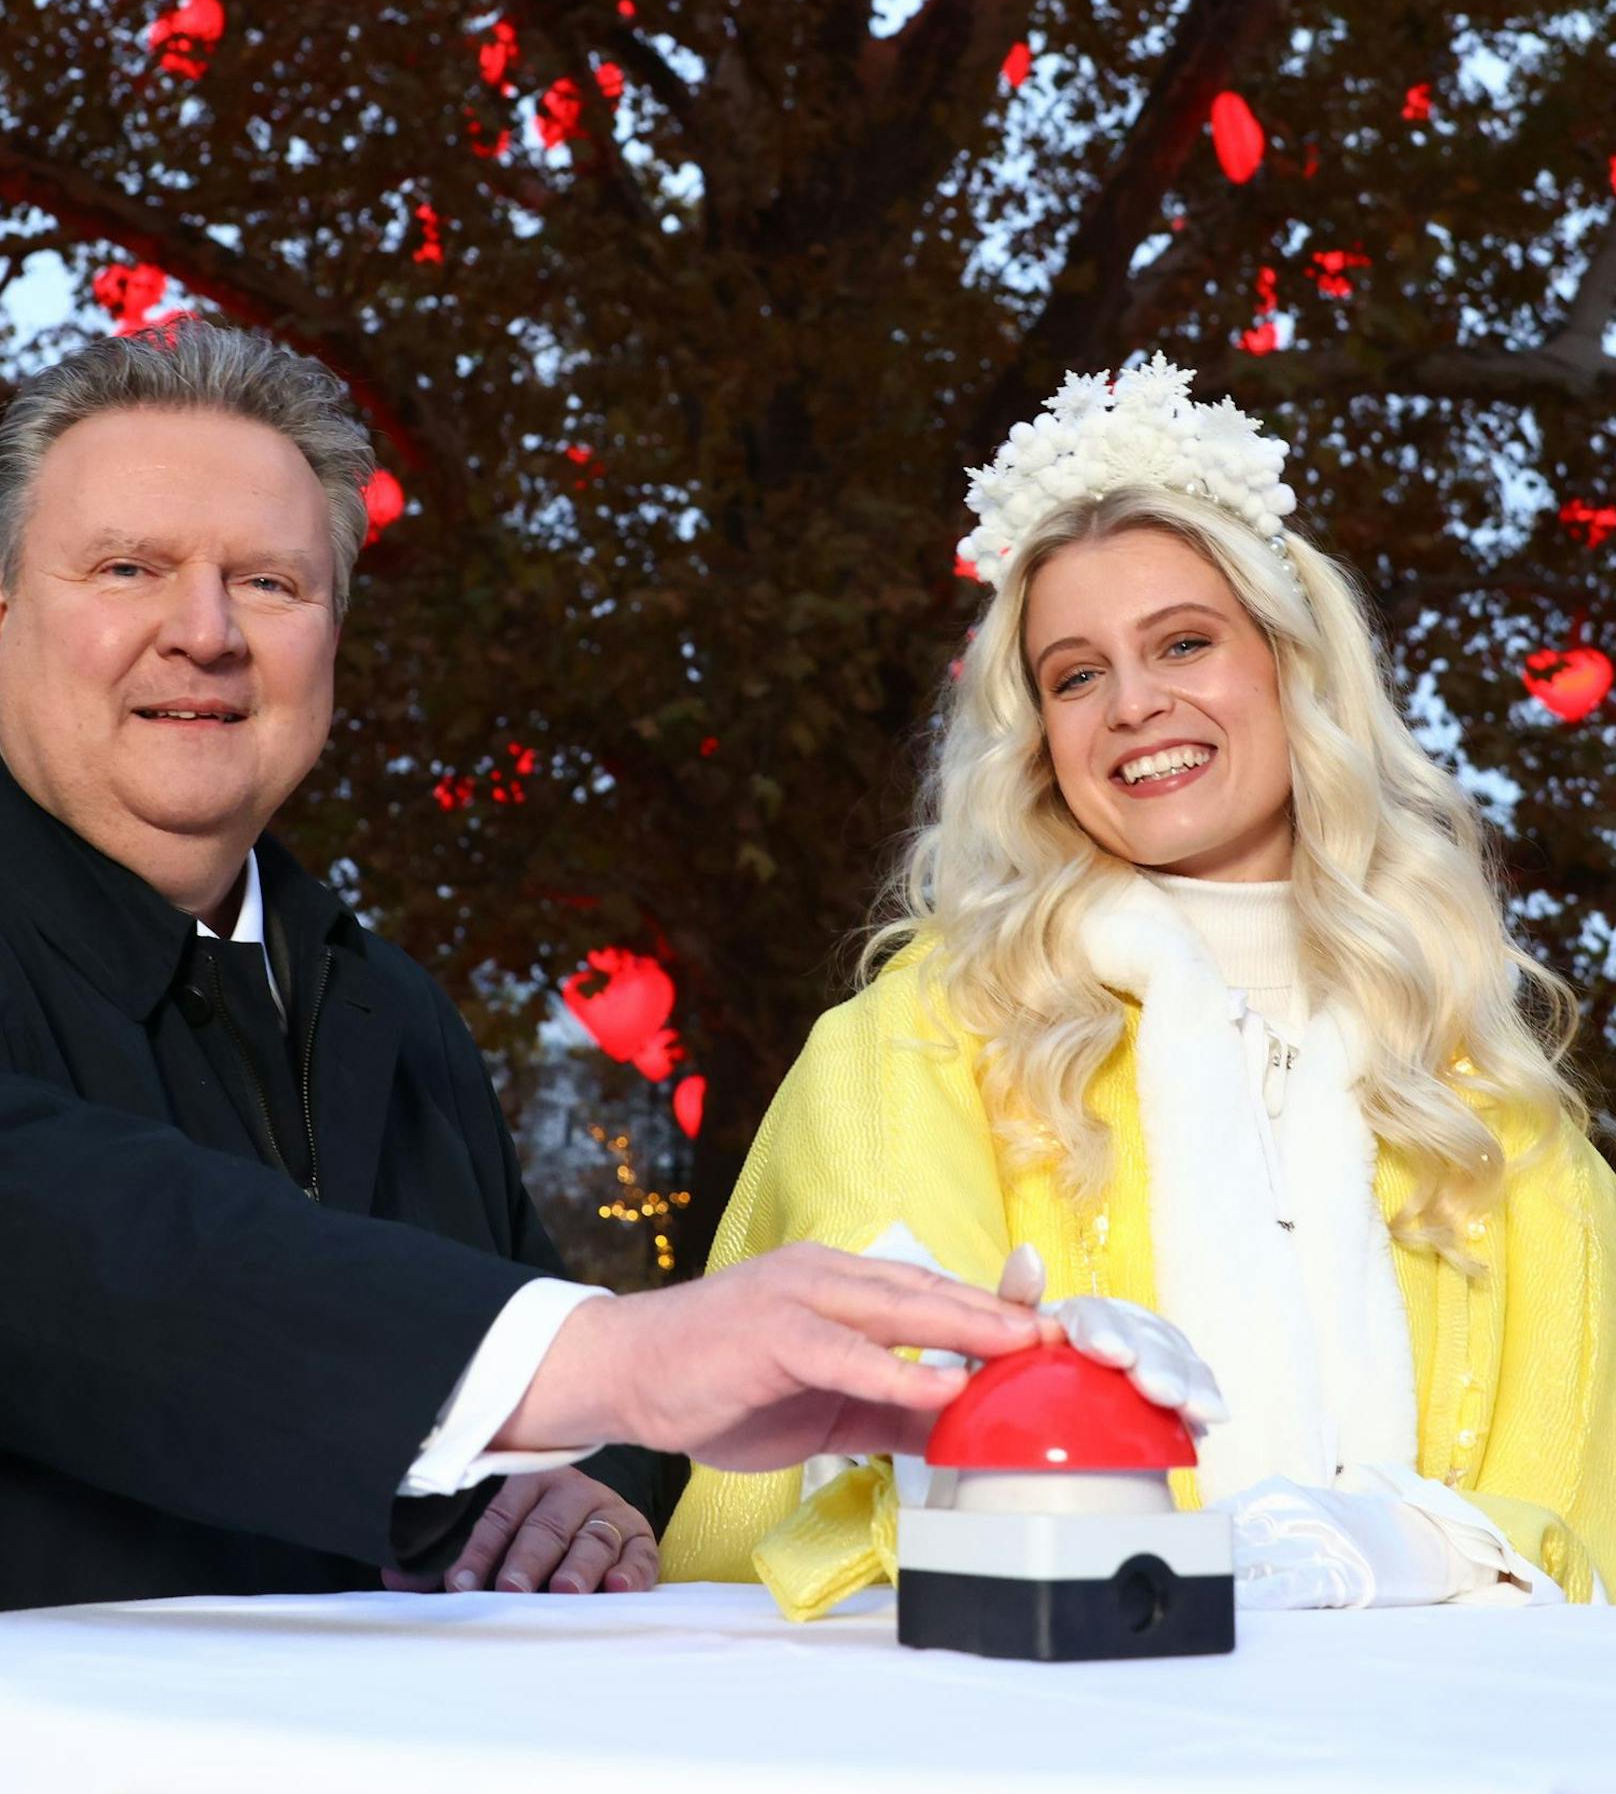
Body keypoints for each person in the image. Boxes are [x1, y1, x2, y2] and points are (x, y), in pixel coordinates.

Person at [0, 321, 1046, 1612]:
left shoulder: (389, 1007)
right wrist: (603, 1357)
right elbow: (81, 1240)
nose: (204, 631)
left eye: (270, 582)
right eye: (125, 567)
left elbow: (557, 1383)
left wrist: (576, 1485)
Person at [663, 358, 1616, 1613]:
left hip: (1401, 1780)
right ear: (1039, 739)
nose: (1133, 704)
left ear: (1293, 666)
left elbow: (1580, 1507)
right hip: (1041, 1753)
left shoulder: (1495, 1110)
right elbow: (873, 1441)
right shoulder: (923, 1037)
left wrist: (1408, 1545)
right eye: (1073, 673)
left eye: (1182, 641)